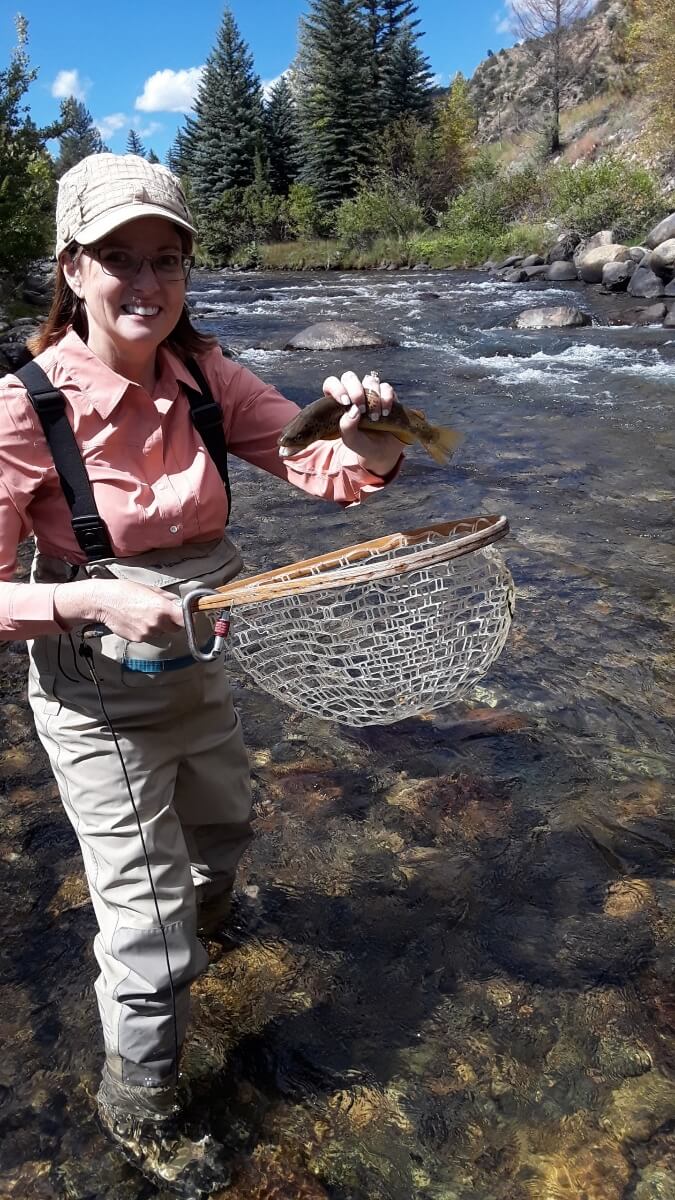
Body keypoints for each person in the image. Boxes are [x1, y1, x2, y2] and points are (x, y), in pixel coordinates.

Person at [0, 153, 403, 1197]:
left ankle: (214, 934)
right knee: (145, 931)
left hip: (201, 675)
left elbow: (338, 473)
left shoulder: (210, 379)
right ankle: (140, 1105)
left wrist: (374, 426)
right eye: (117, 258)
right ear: (71, 269)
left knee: (226, 837)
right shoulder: (23, 412)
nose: (145, 283)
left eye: (165, 260)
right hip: (98, 707)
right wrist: (88, 598)